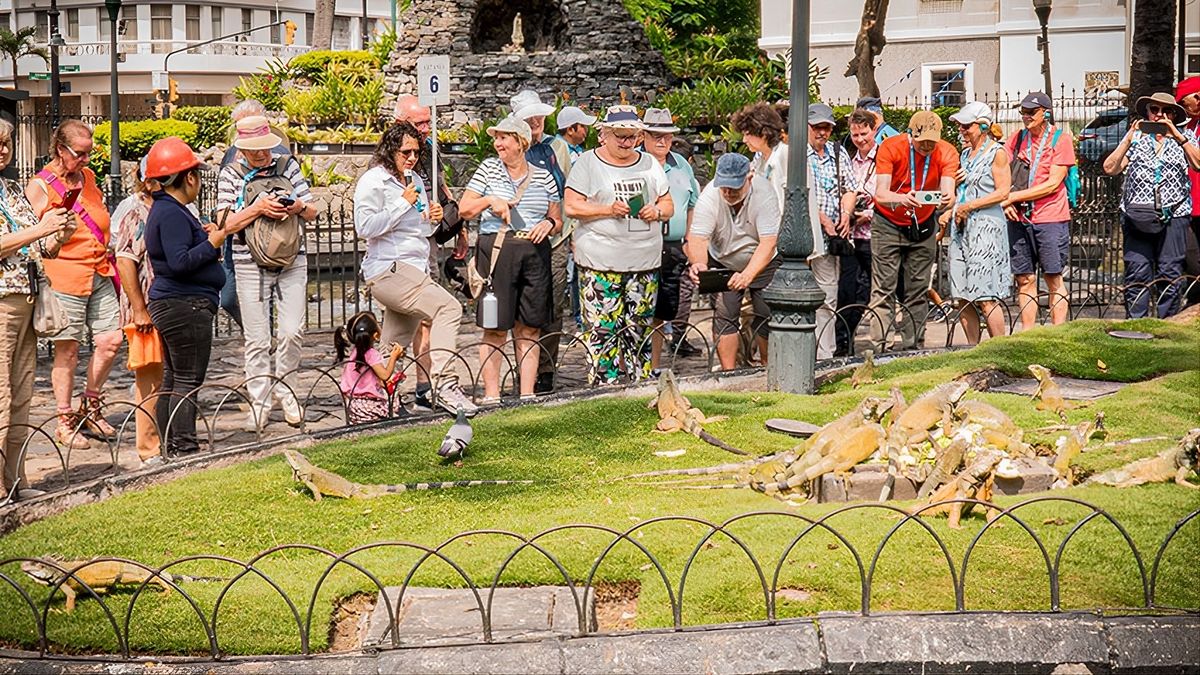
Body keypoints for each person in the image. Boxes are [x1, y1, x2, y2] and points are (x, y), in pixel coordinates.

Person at [353, 122, 478, 415]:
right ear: (390, 150)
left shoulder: (416, 181)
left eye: (416, 152)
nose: (411, 157)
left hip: (413, 269)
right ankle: (445, 383)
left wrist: (433, 218)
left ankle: (371, 403)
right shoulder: (374, 181)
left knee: (392, 347)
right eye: (405, 152)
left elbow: (419, 229)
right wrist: (400, 203)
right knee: (448, 309)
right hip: (388, 269)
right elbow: (365, 227)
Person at [25, 120, 122, 451]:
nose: (85, 160)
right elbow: (37, 236)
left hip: (99, 269)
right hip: (64, 274)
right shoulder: (40, 185)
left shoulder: (89, 178)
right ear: (59, 149)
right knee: (68, 350)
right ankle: (64, 421)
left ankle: (90, 405)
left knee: (111, 340)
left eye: (89, 153)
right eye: (79, 154)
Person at [216, 115, 317, 431]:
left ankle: (287, 392)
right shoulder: (232, 174)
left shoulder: (288, 166)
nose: (261, 155)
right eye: (253, 150)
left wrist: (295, 206)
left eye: (265, 148)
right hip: (249, 263)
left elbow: (313, 210)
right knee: (257, 338)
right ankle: (259, 402)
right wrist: (258, 208)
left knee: (291, 330)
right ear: (242, 149)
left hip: (291, 260)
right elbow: (225, 224)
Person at [564, 105, 672, 384]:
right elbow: (572, 206)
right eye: (620, 136)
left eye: (631, 136)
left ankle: (641, 388)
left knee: (639, 331)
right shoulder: (588, 163)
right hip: (601, 263)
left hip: (644, 263)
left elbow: (668, 203)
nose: (626, 142)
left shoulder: (650, 164)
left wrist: (657, 212)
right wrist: (607, 210)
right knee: (603, 332)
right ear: (605, 135)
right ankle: (604, 391)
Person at [458, 115, 561, 402]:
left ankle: (526, 395)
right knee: (494, 326)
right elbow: (465, 208)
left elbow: (557, 218)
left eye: (503, 137)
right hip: (498, 251)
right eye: (497, 137)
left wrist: (549, 225)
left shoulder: (544, 175)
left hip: (534, 252)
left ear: (521, 142)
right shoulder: (488, 169)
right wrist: (490, 200)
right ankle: (492, 396)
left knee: (530, 327)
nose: (497, 143)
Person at [0, 119, 73, 500]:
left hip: (27, 299)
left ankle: (16, 480)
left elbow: (41, 246)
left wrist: (58, 232)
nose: (4, 150)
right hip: (1, 303)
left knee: (23, 393)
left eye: (7, 143)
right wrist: (40, 231)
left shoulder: (12, 189)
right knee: (0, 396)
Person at [143, 136, 227, 455]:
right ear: (189, 177)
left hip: (175, 303)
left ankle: (171, 447)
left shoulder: (167, 210)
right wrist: (213, 243)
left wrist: (201, 238)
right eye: (197, 176)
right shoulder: (173, 212)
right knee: (188, 379)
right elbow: (179, 262)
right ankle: (184, 448)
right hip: (185, 304)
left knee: (174, 377)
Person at [394, 94, 469, 409]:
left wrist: (460, 228)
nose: (427, 127)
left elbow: (442, 188)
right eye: (420, 122)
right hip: (401, 245)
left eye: (428, 121)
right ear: (401, 122)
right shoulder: (390, 155)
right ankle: (393, 385)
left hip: (430, 239)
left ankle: (425, 386)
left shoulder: (430, 147)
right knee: (401, 319)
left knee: (428, 315)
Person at [1103, 92, 1198, 319]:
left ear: (1174, 115)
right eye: (1154, 110)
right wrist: (1128, 138)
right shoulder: (1136, 139)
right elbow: (1110, 168)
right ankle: (1136, 326)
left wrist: (1176, 135)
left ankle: (1167, 327)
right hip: (1137, 215)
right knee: (1137, 271)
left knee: (1170, 272)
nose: (1159, 115)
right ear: (1147, 112)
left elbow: (1198, 164)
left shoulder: (1186, 136)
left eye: (1166, 111)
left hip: (1174, 214)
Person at [870, 111, 958, 352]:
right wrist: (901, 198)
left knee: (918, 288)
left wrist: (946, 200)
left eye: (932, 141)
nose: (928, 146)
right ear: (910, 135)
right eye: (922, 142)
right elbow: (880, 193)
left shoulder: (947, 152)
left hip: (924, 222)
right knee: (883, 288)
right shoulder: (890, 147)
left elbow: (949, 192)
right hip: (888, 221)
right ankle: (879, 347)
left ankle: (913, 347)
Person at [686, 153, 780, 371]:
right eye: (724, 187)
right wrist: (699, 263)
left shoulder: (764, 193)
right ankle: (729, 372)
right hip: (724, 260)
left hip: (762, 259)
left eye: (734, 187)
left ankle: (769, 367)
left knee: (765, 311)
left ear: (749, 178)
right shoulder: (710, 196)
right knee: (725, 314)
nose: (728, 192)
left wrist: (748, 275)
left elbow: (768, 242)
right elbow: (698, 237)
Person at [939, 102, 1011, 344]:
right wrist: (952, 207)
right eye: (960, 125)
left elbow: (1003, 192)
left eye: (966, 125)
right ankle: (973, 350)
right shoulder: (965, 155)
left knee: (984, 293)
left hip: (986, 229)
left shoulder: (997, 152)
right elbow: (964, 192)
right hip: (962, 230)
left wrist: (969, 206)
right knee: (961, 294)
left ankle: (999, 349)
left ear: (982, 126)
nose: (961, 129)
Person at [1001, 92, 1075, 330]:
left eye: (1031, 112)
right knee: (1024, 278)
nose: (1025, 116)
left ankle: (1057, 334)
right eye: (1022, 112)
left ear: (1046, 112)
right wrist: (1007, 202)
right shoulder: (1017, 138)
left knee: (1053, 277)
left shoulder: (1060, 140)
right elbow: (1000, 171)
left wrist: (1011, 197)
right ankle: (1028, 333)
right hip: (1020, 217)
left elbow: (1053, 184)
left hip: (1050, 217)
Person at [215, 99, 291, 330]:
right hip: (235, 237)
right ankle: (260, 332)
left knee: (262, 296)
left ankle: (265, 337)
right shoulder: (232, 152)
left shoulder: (277, 154)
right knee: (227, 297)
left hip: (264, 237)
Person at [538, 105, 595, 393]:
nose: (586, 130)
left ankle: (544, 367)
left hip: (560, 232)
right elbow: (565, 195)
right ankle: (543, 368)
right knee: (552, 299)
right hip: (557, 233)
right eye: (582, 126)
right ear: (571, 128)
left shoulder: (568, 151)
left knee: (555, 297)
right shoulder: (558, 149)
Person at [113, 157, 165, 465]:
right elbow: (124, 260)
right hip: (144, 303)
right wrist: (139, 309)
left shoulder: (175, 208)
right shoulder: (135, 212)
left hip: (170, 303)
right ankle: (149, 449)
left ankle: (168, 437)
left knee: (169, 374)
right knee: (149, 376)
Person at [641, 108, 701, 371]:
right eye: (655, 136)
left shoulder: (681, 164)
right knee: (640, 306)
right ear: (644, 136)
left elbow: (692, 204)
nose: (662, 141)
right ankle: (631, 365)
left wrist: (690, 239)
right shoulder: (635, 162)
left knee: (663, 310)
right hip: (642, 243)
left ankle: (654, 365)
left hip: (674, 245)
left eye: (666, 136)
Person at [805, 103, 858, 359]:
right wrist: (822, 218)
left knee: (828, 296)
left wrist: (846, 215)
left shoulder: (838, 153)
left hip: (830, 240)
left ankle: (825, 355)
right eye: (817, 127)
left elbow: (850, 188)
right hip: (803, 236)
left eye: (827, 127)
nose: (822, 133)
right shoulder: (795, 154)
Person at [837, 109, 880, 356]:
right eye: (855, 135)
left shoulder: (883, 158)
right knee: (848, 291)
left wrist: (869, 213)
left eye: (864, 134)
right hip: (852, 236)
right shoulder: (848, 160)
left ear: (873, 131)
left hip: (874, 235)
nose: (860, 139)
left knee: (869, 293)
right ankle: (844, 341)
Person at [336, 311, 405, 425]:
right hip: (368, 406)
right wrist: (394, 356)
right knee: (394, 401)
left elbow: (379, 380)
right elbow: (384, 375)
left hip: (352, 405)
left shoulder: (355, 352)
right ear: (376, 335)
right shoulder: (371, 354)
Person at [732, 103, 788, 209]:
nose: (744, 140)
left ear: (764, 133)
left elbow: (780, 201)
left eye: (747, 134)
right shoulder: (760, 160)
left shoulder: (783, 155)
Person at [1174, 77, 1200, 306]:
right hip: (1190, 204)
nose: (1185, 108)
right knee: (1191, 258)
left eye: (1185, 102)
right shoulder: (1190, 126)